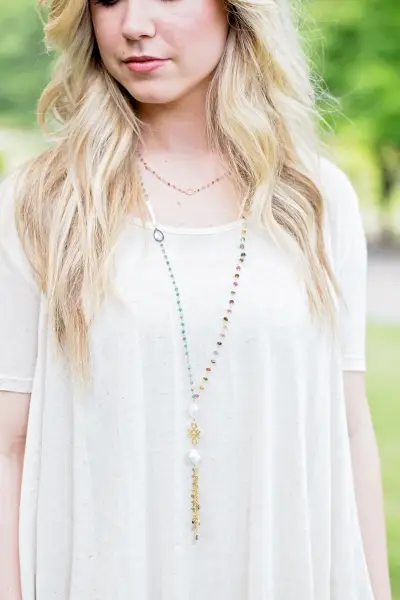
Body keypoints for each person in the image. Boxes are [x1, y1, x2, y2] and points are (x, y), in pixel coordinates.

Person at [0, 0, 393, 598]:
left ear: (237, 11)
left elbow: (348, 430)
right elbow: (9, 445)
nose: (133, 23)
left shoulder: (315, 201)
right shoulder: (40, 203)